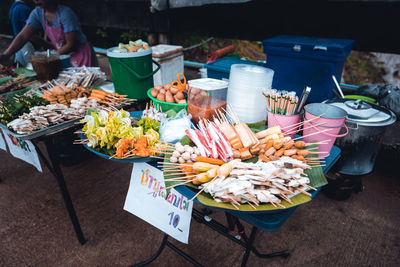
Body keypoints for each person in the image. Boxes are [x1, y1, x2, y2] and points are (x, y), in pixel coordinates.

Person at [1, 0, 97, 67]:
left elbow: (70, 45)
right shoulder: (37, 13)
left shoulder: (66, 13)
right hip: (62, 56)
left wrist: (47, 57)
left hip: (82, 55)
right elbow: (23, 36)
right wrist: (6, 54)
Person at [9, 0, 36, 66]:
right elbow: (29, 32)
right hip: (27, 44)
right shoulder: (24, 8)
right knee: (33, 68)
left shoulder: (13, 7)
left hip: (17, 44)